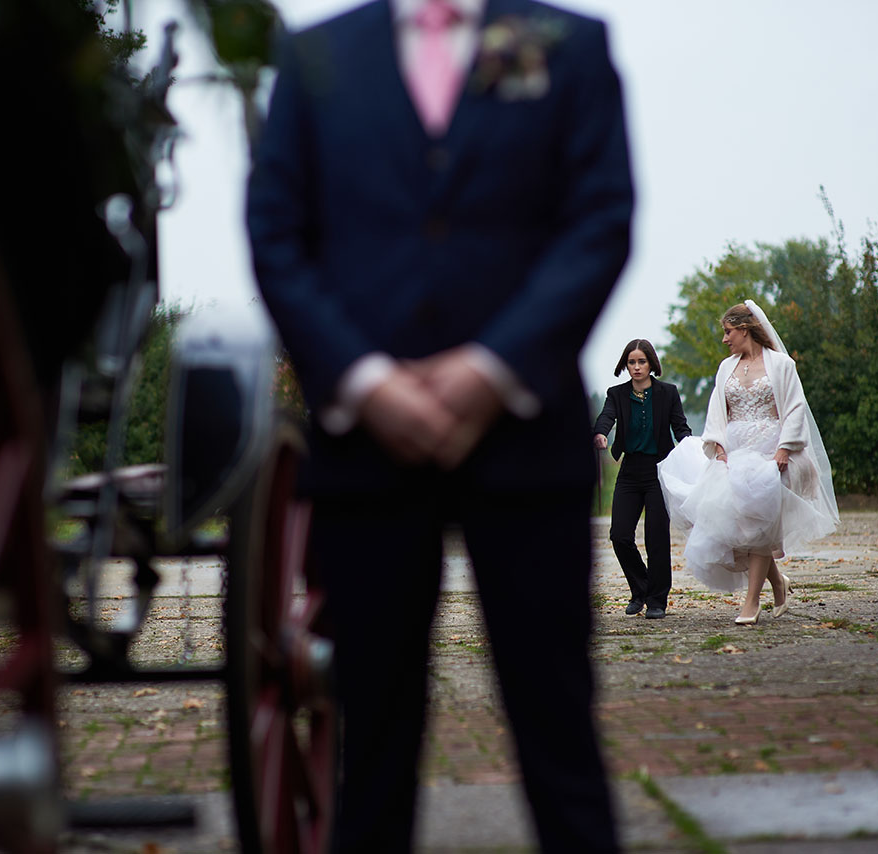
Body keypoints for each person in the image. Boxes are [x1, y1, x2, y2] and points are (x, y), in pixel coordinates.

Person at [245, 0, 633, 850]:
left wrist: (492, 368)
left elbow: (600, 220)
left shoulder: (570, 44)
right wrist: (367, 380)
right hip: (365, 450)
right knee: (370, 751)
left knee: (560, 736)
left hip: (526, 442)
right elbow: (276, 233)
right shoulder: (315, 58)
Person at [658, 300, 839, 624]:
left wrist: (785, 448)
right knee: (743, 527)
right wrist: (717, 446)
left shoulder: (781, 365)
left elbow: (795, 408)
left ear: (745, 329)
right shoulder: (726, 368)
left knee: (759, 523)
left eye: (728, 332)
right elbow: (718, 410)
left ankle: (751, 602)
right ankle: (778, 583)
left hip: (771, 453)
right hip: (736, 451)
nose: (725, 339)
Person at [592, 339, 691, 619]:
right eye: (631, 362)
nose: (636, 367)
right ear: (626, 364)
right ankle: (641, 589)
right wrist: (599, 434)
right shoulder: (616, 394)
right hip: (630, 471)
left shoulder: (668, 393)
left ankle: (657, 600)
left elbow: (680, 428)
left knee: (656, 537)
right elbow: (606, 418)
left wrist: (694, 451)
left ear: (651, 364)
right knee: (620, 535)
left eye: (641, 362)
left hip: (659, 472)